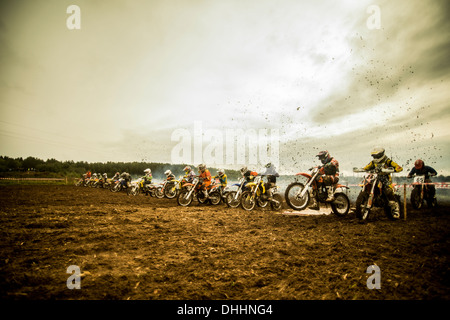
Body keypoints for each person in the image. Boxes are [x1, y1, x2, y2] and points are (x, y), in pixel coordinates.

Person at [363, 147, 403, 218]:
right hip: (375, 178)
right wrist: (362, 169)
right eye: (374, 156)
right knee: (367, 185)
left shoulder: (387, 161)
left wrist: (393, 169)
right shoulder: (373, 162)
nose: (375, 157)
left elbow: (398, 167)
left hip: (385, 178)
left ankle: (395, 209)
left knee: (388, 191)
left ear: (381, 155)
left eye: (376, 156)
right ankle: (364, 201)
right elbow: (366, 167)